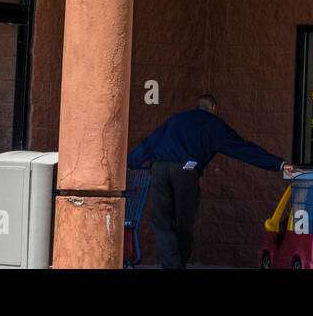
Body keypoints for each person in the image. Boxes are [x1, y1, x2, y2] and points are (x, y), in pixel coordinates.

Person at [128, 93, 299, 268]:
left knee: (161, 223)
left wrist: (129, 162)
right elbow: (242, 148)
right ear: (214, 108)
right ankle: (176, 266)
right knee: (183, 224)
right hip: (186, 171)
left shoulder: (176, 119)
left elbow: (150, 143)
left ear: (196, 106)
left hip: (159, 168)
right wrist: (278, 164)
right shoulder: (214, 124)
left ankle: (171, 265)